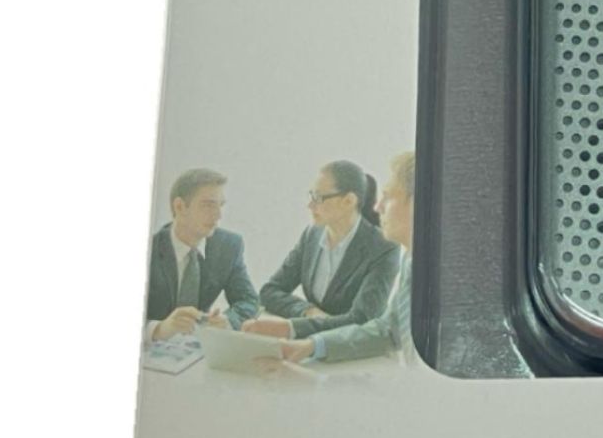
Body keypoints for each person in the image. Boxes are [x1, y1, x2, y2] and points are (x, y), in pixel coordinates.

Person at [276, 151, 415, 365]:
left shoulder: (450, 278)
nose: (377, 207)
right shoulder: (412, 262)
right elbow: (388, 330)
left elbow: (364, 319)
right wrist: (312, 344)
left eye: (388, 196)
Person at [243, 160, 399, 341]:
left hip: (354, 350)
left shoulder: (384, 247)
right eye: (311, 195)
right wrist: (308, 311)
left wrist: (292, 328)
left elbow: (362, 320)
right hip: (307, 345)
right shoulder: (311, 235)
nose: (310, 205)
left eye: (318, 198)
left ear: (349, 201)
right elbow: (269, 291)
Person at [146, 168, 260, 340]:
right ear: (180, 207)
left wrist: (228, 320)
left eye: (220, 205)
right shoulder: (150, 249)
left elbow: (249, 301)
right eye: (208, 205)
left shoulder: (228, 246)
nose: (218, 215)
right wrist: (158, 329)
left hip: (198, 347)